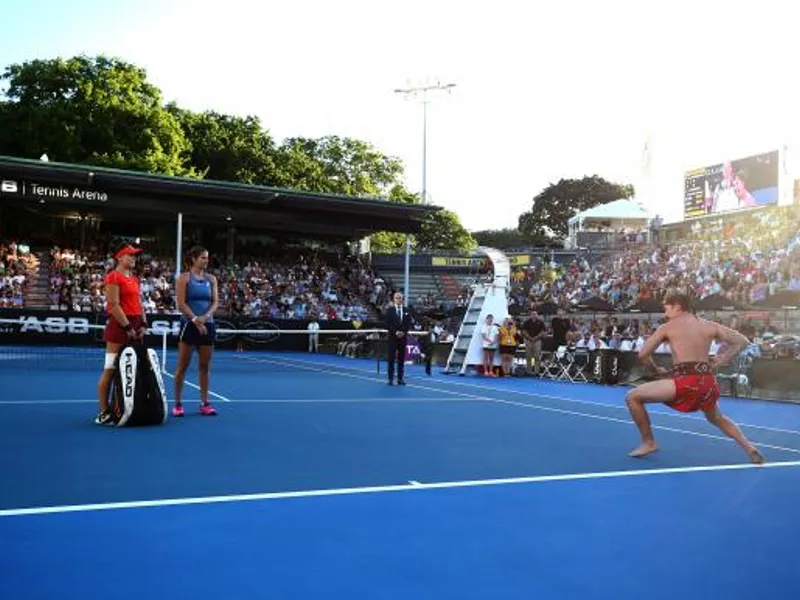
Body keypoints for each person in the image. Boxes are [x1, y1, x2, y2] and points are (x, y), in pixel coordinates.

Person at [625, 292, 764, 464]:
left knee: (632, 397)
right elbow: (742, 341)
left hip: (686, 382)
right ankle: (748, 446)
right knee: (717, 418)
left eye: (667, 305)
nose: (664, 309)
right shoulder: (709, 325)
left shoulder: (667, 327)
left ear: (677, 306)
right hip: (707, 383)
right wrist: (722, 360)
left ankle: (649, 442)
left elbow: (643, 354)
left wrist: (656, 369)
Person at [95, 242, 147, 425]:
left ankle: (127, 408)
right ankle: (104, 412)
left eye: (135, 255)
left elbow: (139, 304)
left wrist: (143, 324)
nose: (133, 258)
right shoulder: (113, 277)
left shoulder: (134, 279)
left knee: (135, 371)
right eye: (130, 255)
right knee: (109, 370)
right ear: (119, 257)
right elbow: (114, 306)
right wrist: (128, 328)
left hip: (135, 328)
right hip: (119, 329)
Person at [173, 246, 219, 417]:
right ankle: (177, 404)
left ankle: (205, 403)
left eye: (207, 258)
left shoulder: (212, 279)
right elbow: (181, 303)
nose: (206, 261)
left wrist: (205, 318)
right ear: (193, 259)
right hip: (189, 325)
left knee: (205, 367)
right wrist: (195, 319)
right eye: (203, 258)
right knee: (182, 367)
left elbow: (215, 302)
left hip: (208, 325)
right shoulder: (183, 278)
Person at [384, 291, 412, 385]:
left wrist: (403, 332)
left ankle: (400, 378)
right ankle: (390, 379)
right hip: (392, 338)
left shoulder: (407, 310)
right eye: (397, 298)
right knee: (391, 358)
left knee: (401, 359)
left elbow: (408, 324)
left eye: (400, 298)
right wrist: (395, 332)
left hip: (403, 338)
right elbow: (387, 324)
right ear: (394, 299)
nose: (399, 299)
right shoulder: (389, 310)